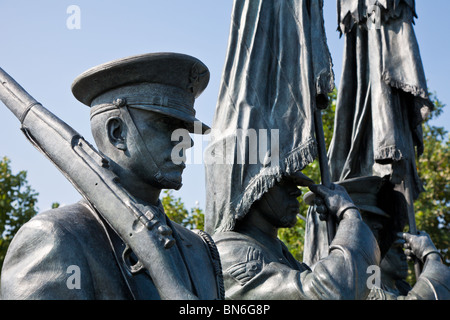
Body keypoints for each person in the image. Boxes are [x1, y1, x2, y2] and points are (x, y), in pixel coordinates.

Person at [0, 53, 223, 300]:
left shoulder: (201, 252)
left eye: (186, 131)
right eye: (167, 125)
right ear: (117, 132)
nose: (187, 142)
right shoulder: (55, 238)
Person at [212, 172, 380, 300]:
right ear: (251, 186)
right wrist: (349, 215)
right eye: (283, 181)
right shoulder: (232, 252)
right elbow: (333, 291)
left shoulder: (284, 257)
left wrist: (343, 230)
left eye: (296, 183)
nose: (297, 192)